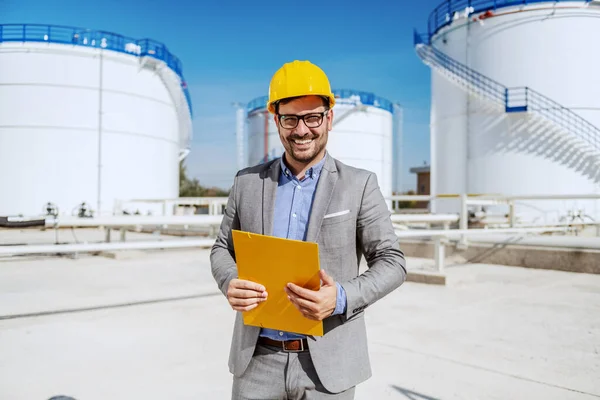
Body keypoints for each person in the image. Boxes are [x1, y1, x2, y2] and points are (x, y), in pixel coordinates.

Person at [210, 60, 406, 399]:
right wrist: (230, 280)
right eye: (290, 119)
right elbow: (222, 250)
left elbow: (392, 262)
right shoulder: (246, 183)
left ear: (328, 118)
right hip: (257, 361)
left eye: (312, 117)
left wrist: (341, 297)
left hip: (328, 366)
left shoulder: (359, 185)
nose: (301, 130)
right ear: (276, 121)